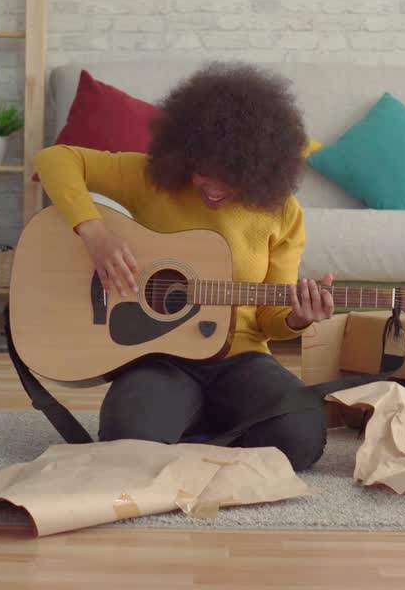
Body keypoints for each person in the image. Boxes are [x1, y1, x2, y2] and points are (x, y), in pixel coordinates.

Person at [30, 62, 335, 471]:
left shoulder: (283, 213)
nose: (211, 188)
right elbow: (55, 159)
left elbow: (270, 320)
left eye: (230, 178)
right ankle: (204, 424)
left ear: (259, 171)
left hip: (241, 359)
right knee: (128, 437)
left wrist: (298, 319)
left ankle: (194, 423)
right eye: (202, 172)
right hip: (159, 358)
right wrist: (95, 233)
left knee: (300, 440)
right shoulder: (152, 177)